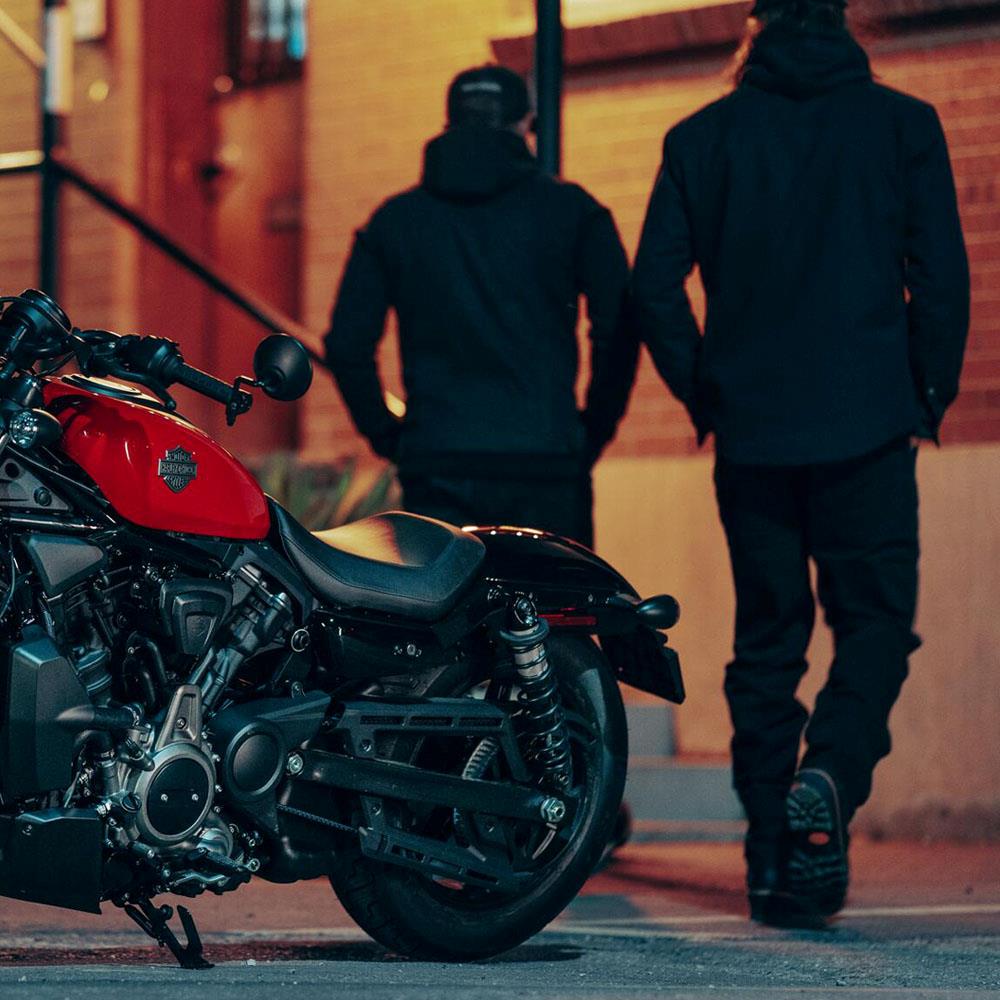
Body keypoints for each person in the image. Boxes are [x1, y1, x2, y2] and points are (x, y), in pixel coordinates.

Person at [633, 0, 969, 924]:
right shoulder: (903, 125)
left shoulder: (702, 136)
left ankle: (771, 861)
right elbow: (940, 272)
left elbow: (652, 285)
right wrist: (925, 394)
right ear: (843, 20)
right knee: (874, 626)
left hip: (753, 435)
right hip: (867, 427)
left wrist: (708, 392)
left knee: (766, 644)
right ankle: (830, 773)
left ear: (756, 25)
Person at [325, 65, 638, 549]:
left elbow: (346, 344)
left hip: (439, 462)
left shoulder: (396, 221)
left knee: (446, 617)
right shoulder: (573, 211)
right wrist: (592, 428)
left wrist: (391, 438)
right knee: (553, 614)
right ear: (524, 123)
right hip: (546, 458)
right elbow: (618, 325)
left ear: (449, 123)